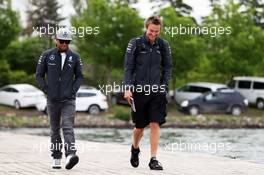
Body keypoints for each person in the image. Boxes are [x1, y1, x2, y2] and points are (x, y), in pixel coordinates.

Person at [124, 16, 172, 170]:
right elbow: (128, 68)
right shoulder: (135, 43)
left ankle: (153, 158)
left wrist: (164, 86)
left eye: (157, 31)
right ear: (146, 28)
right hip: (139, 91)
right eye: (151, 31)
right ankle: (135, 148)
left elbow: (168, 67)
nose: (153, 34)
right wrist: (127, 88)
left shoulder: (163, 45)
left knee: (155, 123)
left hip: (157, 92)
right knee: (139, 126)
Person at [36, 28, 83, 170]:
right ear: (56, 40)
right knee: (55, 130)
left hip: (69, 100)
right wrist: (47, 89)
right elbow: (39, 75)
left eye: (67, 41)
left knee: (68, 127)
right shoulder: (46, 55)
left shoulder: (75, 57)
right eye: (61, 41)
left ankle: (70, 155)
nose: (64, 44)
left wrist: (73, 90)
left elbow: (80, 76)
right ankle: (56, 157)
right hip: (52, 100)